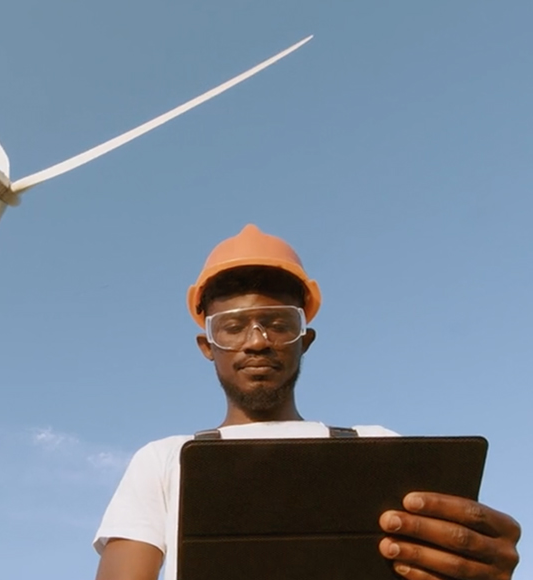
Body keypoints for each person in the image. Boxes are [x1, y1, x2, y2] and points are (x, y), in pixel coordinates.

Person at [92, 224, 520, 580]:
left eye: (279, 324)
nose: (257, 342)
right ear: (208, 346)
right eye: (233, 327)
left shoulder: (378, 446)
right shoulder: (164, 460)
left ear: (305, 340)